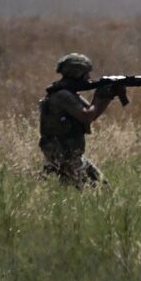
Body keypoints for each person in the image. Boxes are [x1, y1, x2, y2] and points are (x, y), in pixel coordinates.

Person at [38, 53, 114, 187]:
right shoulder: (62, 95)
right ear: (77, 73)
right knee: (93, 191)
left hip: (71, 154)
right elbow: (87, 116)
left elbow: (91, 115)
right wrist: (99, 96)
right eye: (86, 74)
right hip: (63, 154)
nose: (88, 78)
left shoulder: (69, 94)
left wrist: (108, 96)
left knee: (103, 187)